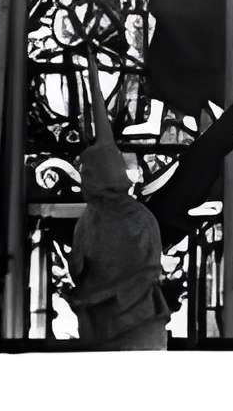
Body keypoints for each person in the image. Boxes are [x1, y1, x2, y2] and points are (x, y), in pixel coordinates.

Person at [67, 86, 169, 350]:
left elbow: (79, 269)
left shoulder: (90, 221)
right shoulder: (141, 218)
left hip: (129, 324)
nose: (83, 183)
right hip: (125, 322)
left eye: (87, 175)